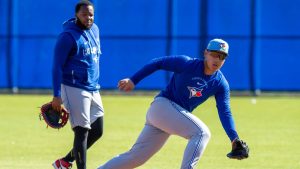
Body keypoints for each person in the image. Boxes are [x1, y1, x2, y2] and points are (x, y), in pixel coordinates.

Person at [97, 39, 248, 169]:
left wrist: (234, 138)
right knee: (201, 133)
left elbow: (224, 111)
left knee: (135, 158)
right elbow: (157, 63)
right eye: (214, 54)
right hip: (162, 107)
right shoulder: (186, 63)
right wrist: (133, 80)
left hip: (169, 118)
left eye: (221, 57)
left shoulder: (221, 84)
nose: (217, 59)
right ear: (205, 53)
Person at [51, 1, 104, 169]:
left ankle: (65, 162)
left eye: (91, 14)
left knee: (98, 130)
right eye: (84, 14)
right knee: (81, 131)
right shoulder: (67, 37)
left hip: (93, 87)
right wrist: (56, 94)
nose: (88, 18)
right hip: (74, 87)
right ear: (76, 15)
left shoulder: (95, 29)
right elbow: (56, 67)